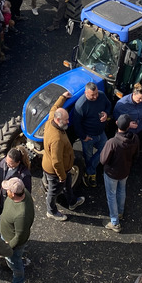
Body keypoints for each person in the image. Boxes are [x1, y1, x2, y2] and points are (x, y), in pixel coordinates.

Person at [42, 90, 85, 220]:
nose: (68, 122)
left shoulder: (51, 119)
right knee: (53, 191)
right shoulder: (57, 139)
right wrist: (61, 176)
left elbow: (54, 108)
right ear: (58, 119)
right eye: (66, 120)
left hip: (54, 166)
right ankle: (51, 211)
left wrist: (63, 97)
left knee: (67, 184)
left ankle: (72, 202)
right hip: (55, 171)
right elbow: (56, 161)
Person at [99, 114, 140, 232]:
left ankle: (115, 222)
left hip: (112, 173)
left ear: (117, 123)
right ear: (129, 126)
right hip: (125, 171)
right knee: (122, 190)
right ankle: (120, 212)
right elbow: (136, 155)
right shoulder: (135, 138)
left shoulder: (112, 142)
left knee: (111, 195)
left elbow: (103, 160)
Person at [72, 81, 111, 187]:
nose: (95, 96)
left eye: (96, 93)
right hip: (89, 136)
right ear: (86, 93)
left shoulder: (101, 96)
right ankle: (91, 173)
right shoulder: (81, 105)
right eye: (92, 95)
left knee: (106, 149)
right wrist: (83, 137)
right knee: (88, 156)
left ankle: (89, 170)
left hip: (101, 133)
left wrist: (106, 113)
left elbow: (108, 105)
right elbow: (76, 123)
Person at [0, 148, 32, 234]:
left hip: (11, 203)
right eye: (6, 161)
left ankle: (8, 238)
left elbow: (26, 193)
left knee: (9, 224)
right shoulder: (3, 163)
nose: (7, 164)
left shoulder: (24, 175)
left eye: (10, 164)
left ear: (18, 163)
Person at [0, 177, 35, 283]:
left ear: (13, 194)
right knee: (10, 259)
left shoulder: (21, 215)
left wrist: (8, 246)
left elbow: (19, 236)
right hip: (7, 235)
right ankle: (8, 262)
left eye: (8, 190)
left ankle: (18, 280)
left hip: (11, 243)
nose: (6, 191)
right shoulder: (25, 193)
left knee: (15, 263)